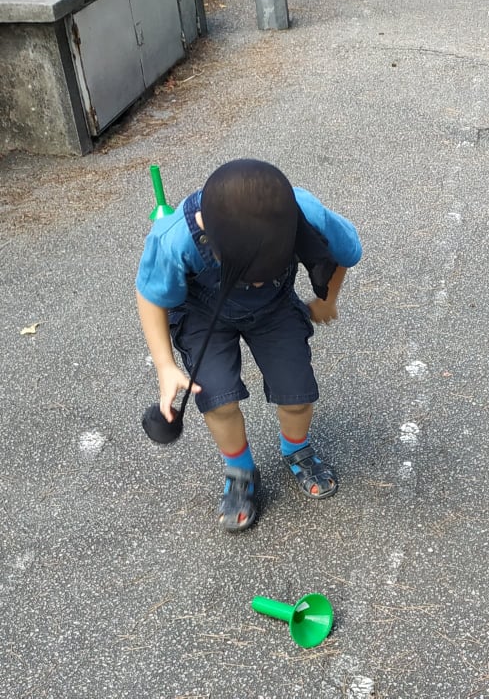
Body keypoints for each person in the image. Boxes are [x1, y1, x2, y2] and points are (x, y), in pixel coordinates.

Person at [136, 159, 362, 531]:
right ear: (209, 234)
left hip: (275, 309)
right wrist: (164, 365)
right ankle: (240, 472)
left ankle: (296, 447)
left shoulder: (305, 212)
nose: (256, 282)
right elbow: (150, 296)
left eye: (266, 272)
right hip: (202, 312)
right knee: (217, 398)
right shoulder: (174, 238)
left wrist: (327, 299)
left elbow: (345, 251)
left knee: (297, 394)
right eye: (250, 275)